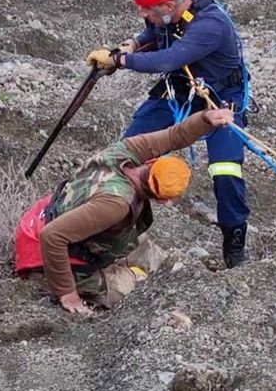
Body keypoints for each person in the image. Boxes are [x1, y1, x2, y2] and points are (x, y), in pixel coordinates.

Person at [86, 0, 251, 269]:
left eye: (147, 8)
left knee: (225, 169)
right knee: (126, 151)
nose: (142, 13)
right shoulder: (167, 14)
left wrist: (121, 60)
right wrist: (133, 44)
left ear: (166, 4)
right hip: (179, 89)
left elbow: (169, 58)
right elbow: (153, 32)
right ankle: (113, 232)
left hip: (219, 99)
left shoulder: (210, 24)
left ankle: (234, 245)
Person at [14, 108, 235, 315]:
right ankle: (86, 282)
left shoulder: (126, 152)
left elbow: (174, 136)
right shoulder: (115, 205)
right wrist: (68, 295)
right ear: (161, 199)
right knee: (131, 290)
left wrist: (205, 119)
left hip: (67, 216)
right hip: (48, 250)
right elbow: (52, 236)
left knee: (154, 257)